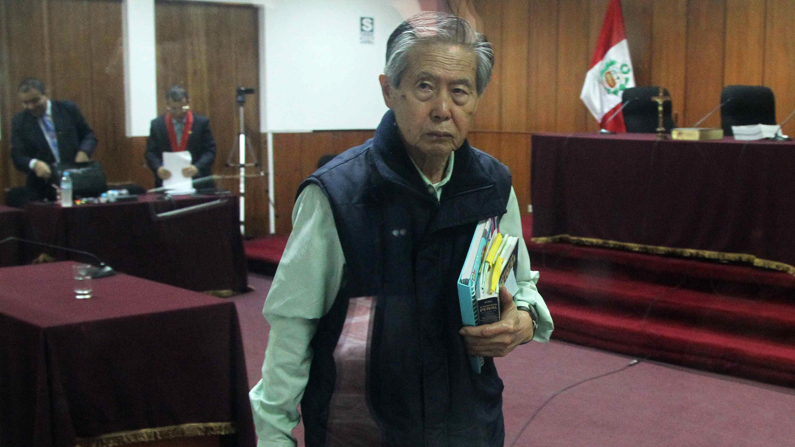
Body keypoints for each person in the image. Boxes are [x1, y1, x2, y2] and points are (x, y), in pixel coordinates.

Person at [249, 12, 553, 447]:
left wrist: (522, 321)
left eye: (460, 91)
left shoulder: (493, 186)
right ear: (389, 90)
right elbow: (292, 332)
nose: (443, 110)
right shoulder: (337, 194)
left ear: (477, 99)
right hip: (359, 429)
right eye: (425, 87)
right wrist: (273, 437)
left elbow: (520, 284)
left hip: (469, 426)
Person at [9, 78, 97, 206]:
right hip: (42, 189)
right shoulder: (19, 121)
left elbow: (89, 135)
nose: (30, 107)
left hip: (76, 180)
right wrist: (34, 164)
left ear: (46, 94)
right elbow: (17, 156)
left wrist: (84, 151)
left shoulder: (68, 109)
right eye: (25, 103)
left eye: (35, 101)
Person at [144, 86, 217, 188]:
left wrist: (197, 167)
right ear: (167, 104)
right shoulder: (157, 125)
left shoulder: (201, 123)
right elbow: (151, 153)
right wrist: (158, 168)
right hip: (167, 181)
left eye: (182, 108)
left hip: (198, 181)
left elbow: (210, 151)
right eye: (173, 109)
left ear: (188, 102)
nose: (178, 113)